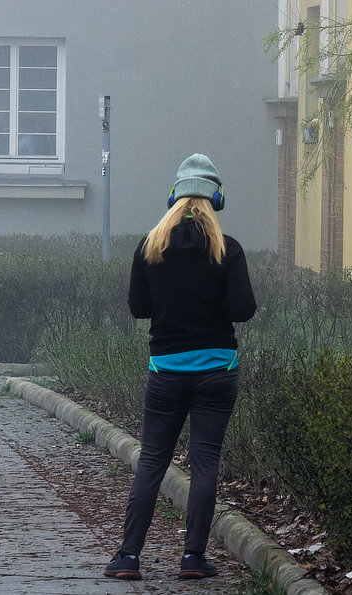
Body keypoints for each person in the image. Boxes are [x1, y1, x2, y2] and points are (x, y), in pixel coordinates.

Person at [104, 153, 257, 581]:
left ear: (173, 196)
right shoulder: (229, 251)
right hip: (217, 371)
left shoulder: (149, 246)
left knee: (152, 460)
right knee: (205, 462)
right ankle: (192, 558)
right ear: (217, 200)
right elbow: (243, 310)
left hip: (166, 371)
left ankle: (128, 557)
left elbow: (138, 308)